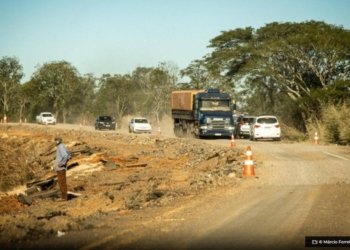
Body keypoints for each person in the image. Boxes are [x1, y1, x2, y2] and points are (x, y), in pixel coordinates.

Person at [54, 136, 71, 201]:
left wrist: (62, 163)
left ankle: (64, 198)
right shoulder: (62, 146)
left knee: (62, 183)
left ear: (59, 140)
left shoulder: (61, 147)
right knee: (62, 182)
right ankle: (64, 197)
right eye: (55, 140)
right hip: (60, 168)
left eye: (56, 140)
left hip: (61, 168)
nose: (55, 141)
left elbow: (66, 155)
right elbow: (69, 154)